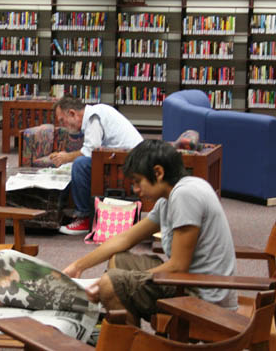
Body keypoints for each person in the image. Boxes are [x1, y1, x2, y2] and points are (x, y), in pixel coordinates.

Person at [63, 140, 237, 327]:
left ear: (158, 173)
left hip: (204, 296)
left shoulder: (185, 195)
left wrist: (104, 282)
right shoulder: (170, 198)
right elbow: (125, 238)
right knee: (118, 261)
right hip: (190, 282)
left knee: (110, 284)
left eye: (138, 182)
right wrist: (78, 266)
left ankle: (126, 342)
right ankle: (128, 336)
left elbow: (178, 266)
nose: (136, 190)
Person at [51, 97, 143, 235]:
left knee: (80, 165)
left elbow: (90, 152)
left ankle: (84, 217)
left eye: (62, 120)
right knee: (77, 164)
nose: (63, 126)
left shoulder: (93, 118)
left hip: (126, 161)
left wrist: (66, 157)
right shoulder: (98, 111)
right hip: (125, 157)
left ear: (72, 113)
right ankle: (74, 213)